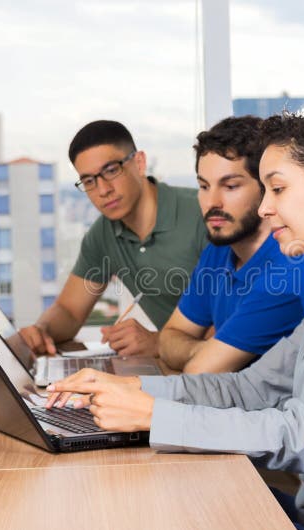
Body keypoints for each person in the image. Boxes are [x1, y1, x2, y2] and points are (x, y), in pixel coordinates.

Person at [45, 108, 304, 524]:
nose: (266, 208)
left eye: (277, 189)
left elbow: (303, 434)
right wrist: (131, 388)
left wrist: (151, 415)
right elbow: (249, 389)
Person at [19, 120, 207, 357]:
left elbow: (237, 324)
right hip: (177, 368)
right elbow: (70, 310)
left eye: (111, 170)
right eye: (89, 181)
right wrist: (41, 330)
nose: (102, 190)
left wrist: (158, 343)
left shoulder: (202, 214)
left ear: (139, 163)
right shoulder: (102, 234)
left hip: (229, 370)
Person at [159, 116, 304, 374]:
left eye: (231, 186)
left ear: (265, 187)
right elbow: (169, 338)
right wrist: (208, 349)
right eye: (203, 186)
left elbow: (199, 373)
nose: (212, 202)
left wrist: (200, 354)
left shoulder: (290, 267)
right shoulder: (218, 250)